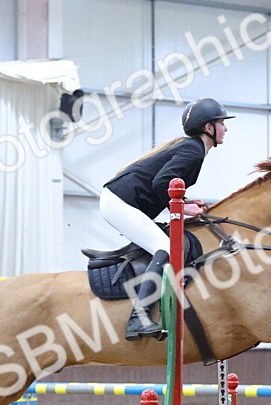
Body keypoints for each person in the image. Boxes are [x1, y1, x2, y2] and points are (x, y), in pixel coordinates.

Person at [99, 97, 234, 340]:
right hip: (118, 202)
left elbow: (166, 185)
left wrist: (187, 202)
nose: (226, 128)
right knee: (166, 247)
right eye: (222, 123)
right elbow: (162, 183)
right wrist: (183, 208)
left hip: (122, 201)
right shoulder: (193, 151)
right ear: (208, 127)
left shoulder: (192, 148)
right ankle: (137, 317)